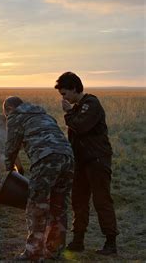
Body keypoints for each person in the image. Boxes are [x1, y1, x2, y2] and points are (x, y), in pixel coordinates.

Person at [55, 71, 119, 255]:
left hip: (97, 161)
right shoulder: (79, 107)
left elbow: (81, 127)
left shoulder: (91, 104)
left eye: (65, 93)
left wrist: (68, 113)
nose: (64, 98)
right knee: (79, 201)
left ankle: (111, 242)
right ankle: (78, 240)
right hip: (81, 162)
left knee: (101, 200)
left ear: (75, 89)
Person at [3, 96, 74, 261]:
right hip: (68, 158)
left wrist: (8, 171)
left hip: (46, 160)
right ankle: (54, 251)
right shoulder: (44, 114)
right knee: (59, 206)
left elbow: (11, 146)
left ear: (9, 110)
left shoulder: (15, 117)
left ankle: (34, 252)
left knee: (37, 207)